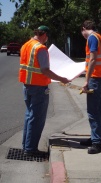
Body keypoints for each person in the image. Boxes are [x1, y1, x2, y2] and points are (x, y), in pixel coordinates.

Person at [19, 25, 70, 156]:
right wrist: (62, 79)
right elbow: (45, 70)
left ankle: (26, 146)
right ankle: (30, 150)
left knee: (29, 116)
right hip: (38, 88)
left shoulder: (26, 45)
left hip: (27, 86)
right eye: (47, 36)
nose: (47, 39)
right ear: (44, 35)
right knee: (36, 118)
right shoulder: (41, 48)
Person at [80, 20, 101, 154]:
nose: (83, 35)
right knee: (99, 110)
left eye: (82, 32)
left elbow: (92, 59)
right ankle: (95, 138)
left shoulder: (92, 38)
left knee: (93, 111)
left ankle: (97, 143)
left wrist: (86, 80)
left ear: (84, 28)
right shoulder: (100, 37)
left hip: (95, 78)